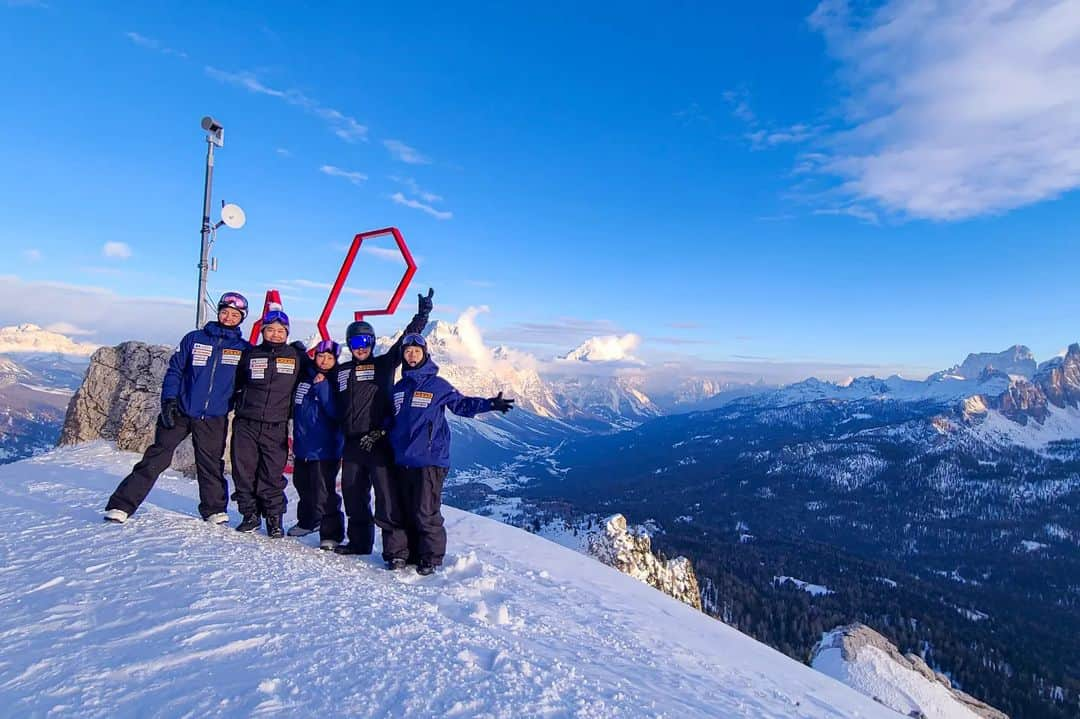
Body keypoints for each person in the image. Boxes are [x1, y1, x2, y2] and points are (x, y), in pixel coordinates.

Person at [104, 292, 250, 524]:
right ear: (219, 312)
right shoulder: (195, 338)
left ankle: (213, 509)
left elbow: (245, 383)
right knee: (156, 458)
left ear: (242, 318)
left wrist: (233, 403)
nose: (229, 317)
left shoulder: (243, 348)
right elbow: (175, 371)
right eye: (225, 312)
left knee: (210, 463)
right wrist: (169, 400)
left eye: (235, 314)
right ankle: (122, 505)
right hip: (181, 410)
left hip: (213, 416)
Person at [387, 333, 514, 575]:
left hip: (430, 460)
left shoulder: (438, 385)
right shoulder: (399, 387)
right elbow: (391, 419)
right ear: (403, 355)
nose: (412, 355)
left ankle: (431, 558)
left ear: (425, 354)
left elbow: (462, 405)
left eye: (417, 351)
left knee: (426, 511)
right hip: (402, 460)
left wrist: (489, 404)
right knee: (404, 509)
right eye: (407, 351)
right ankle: (408, 554)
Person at [330, 289, 433, 556]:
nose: (361, 346)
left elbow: (403, 343)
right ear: (349, 345)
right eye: (355, 342)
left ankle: (396, 552)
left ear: (373, 342)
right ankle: (359, 543)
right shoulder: (341, 371)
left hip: (379, 442)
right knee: (354, 496)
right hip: (351, 443)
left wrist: (422, 316)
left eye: (366, 340)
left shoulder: (384, 364)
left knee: (387, 499)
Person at [230, 309, 304, 537]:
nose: (275, 334)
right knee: (244, 472)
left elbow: (318, 373)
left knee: (271, 474)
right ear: (263, 331)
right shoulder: (250, 355)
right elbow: (235, 381)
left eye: (280, 331)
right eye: (270, 330)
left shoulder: (296, 356)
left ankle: (274, 519)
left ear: (287, 333)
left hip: (276, 424)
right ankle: (249, 515)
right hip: (246, 423)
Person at [287, 339, 344, 549]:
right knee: (302, 486)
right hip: (303, 446)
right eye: (321, 356)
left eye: (330, 358)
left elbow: (336, 413)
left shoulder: (337, 381)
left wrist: (322, 387)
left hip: (325, 449)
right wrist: (298, 350)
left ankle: (332, 534)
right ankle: (307, 522)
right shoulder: (305, 377)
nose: (325, 361)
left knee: (325, 493)